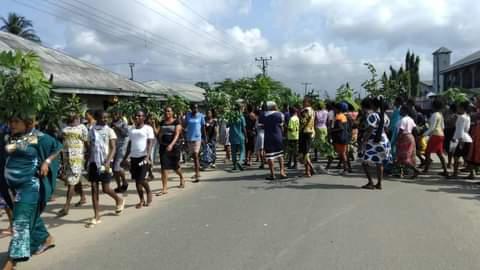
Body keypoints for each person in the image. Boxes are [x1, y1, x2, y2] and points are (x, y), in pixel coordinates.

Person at [2, 116, 62, 269]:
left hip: (29, 187)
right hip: (13, 188)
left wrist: (47, 162)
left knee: (21, 222)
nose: (12, 124)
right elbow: (8, 150)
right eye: (10, 121)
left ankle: (11, 262)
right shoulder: (12, 137)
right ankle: (46, 238)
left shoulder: (36, 137)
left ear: (27, 124)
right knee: (28, 216)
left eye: (16, 121)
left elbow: (58, 146)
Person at [86, 110, 125, 228]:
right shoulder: (92, 130)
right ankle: (96, 216)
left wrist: (108, 162)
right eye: (103, 117)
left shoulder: (109, 131)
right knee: (94, 188)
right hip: (93, 162)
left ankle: (119, 200)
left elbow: (113, 148)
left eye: (106, 118)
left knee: (106, 188)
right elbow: (89, 146)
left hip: (105, 163)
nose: (105, 120)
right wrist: (87, 160)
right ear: (97, 118)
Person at [57, 114, 88, 217]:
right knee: (75, 179)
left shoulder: (82, 128)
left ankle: (66, 206)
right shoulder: (64, 129)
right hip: (67, 158)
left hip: (77, 158)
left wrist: (88, 154)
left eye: (75, 118)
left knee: (71, 182)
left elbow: (86, 141)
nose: (73, 120)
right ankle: (83, 197)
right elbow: (61, 141)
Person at [123, 110, 155, 208]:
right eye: (136, 116)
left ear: (143, 118)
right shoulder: (131, 129)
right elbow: (130, 143)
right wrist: (125, 157)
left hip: (143, 156)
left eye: (139, 116)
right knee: (137, 180)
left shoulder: (148, 128)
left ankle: (148, 192)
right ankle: (141, 200)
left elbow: (150, 143)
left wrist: (147, 156)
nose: (137, 117)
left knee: (141, 179)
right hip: (134, 157)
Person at [359, 97, 391, 190]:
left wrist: (364, 141)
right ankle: (379, 183)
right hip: (384, 141)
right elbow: (387, 129)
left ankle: (370, 182)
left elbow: (370, 130)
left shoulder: (372, 116)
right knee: (379, 163)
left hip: (373, 142)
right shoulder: (385, 115)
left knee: (364, 162)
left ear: (373, 105)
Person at [158, 107, 185, 194]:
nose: (167, 112)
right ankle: (164, 188)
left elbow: (177, 135)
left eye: (169, 111)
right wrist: (153, 125)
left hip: (174, 147)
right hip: (163, 147)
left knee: (175, 167)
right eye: (165, 111)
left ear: (172, 112)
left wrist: (171, 145)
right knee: (164, 168)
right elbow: (158, 134)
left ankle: (181, 177)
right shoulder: (162, 122)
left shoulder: (177, 122)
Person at [262, 102, 287, 180]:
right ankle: (282, 172)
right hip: (278, 136)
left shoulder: (263, 115)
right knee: (280, 155)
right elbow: (282, 126)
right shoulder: (280, 114)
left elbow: (260, 126)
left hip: (268, 137)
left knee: (270, 156)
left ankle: (272, 174)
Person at [422, 99, 448, 176]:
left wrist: (424, 134)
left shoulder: (434, 115)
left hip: (435, 135)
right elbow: (443, 126)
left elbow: (432, 128)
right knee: (439, 153)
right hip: (441, 135)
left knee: (427, 152)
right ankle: (445, 170)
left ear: (434, 106)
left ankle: (426, 169)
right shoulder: (440, 114)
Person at [449, 101, 473, 178]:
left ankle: (455, 174)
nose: (457, 108)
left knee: (456, 157)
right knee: (466, 158)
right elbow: (467, 129)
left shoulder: (461, 117)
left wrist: (458, 139)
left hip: (461, 139)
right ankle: (472, 173)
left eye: (459, 107)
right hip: (467, 138)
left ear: (462, 108)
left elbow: (460, 130)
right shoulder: (467, 116)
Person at [396, 106, 420, 179]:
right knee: (403, 156)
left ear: (404, 111)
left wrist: (398, 139)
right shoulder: (410, 119)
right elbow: (416, 129)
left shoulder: (403, 120)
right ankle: (401, 172)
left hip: (404, 138)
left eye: (401, 110)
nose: (400, 111)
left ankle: (415, 170)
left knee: (404, 157)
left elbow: (401, 130)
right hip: (410, 137)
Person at [184, 103, 206, 182]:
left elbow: (203, 127)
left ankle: (197, 174)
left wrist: (205, 138)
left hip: (197, 138)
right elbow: (184, 126)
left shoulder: (201, 116)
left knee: (196, 155)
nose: (195, 109)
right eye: (193, 107)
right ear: (191, 108)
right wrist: (184, 136)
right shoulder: (188, 115)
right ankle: (197, 171)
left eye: (196, 108)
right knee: (194, 156)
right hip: (189, 138)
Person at [111, 110, 129, 193]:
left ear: (119, 115)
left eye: (116, 114)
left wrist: (117, 127)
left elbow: (125, 134)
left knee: (117, 167)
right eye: (113, 114)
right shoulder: (111, 123)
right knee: (114, 170)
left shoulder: (123, 123)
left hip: (122, 147)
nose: (114, 115)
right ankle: (119, 186)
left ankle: (125, 181)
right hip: (113, 147)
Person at [330, 102, 351, 175]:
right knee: (344, 153)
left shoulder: (338, 117)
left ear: (337, 109)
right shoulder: (344, 116)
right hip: (345, 137)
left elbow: (340, 128)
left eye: (335, 108)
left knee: (342, 154)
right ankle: (347, 168)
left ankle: (345, 169)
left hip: (340, 137)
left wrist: (331, 130)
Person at [299, 97, 316, 177]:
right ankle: (307, 171)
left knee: (304, 152)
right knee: (306, 152)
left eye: (304, 101)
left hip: (304, 132)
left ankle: (310, 169)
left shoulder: (305, 111)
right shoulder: (312, 110)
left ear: (308, 102)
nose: (303, 103)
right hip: (311, 131)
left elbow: (303, 121)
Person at [229, 104, 247, 171]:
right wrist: (246, 136)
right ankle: (240, 162)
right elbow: (244, 128)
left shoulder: (231, 117)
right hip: (240, 137)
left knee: (233, 152)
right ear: (240, 109)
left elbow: (227, 125)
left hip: (232, 137)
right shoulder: (241, 117)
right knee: (242, 151)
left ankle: (234, 166)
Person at [466, 97, 480, 179]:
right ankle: (473, 173)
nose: (476, 103)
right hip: (475, 135)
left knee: (474, 154)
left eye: (478, 101)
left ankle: (473, 173)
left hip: (477, 136)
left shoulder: (476, 113)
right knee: (473, 155)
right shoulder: (476, 111)